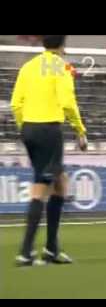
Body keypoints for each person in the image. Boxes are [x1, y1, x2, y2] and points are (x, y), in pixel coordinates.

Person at [11, 35, 88, 266]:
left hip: (29, 128)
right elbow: (67, 102)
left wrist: (24, 127)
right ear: (63, 45)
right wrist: (80, 130)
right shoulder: (61, 66)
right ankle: (26, 252)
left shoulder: (28, 66)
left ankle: (51, 249)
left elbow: (16, 103)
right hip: (48, 130)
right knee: (40, 188)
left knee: (60, 182)